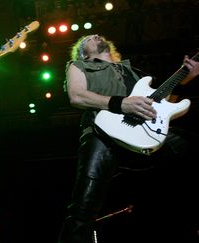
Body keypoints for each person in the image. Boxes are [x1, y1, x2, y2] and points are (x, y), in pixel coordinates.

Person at [58, 34, 199, 243]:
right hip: (101, 132)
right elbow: (76, 96)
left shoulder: (135, 73)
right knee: (84, 206)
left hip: (144, 132)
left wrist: (185, 77)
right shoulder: (79, 66)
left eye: (98, 34)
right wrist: (121, 103)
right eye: (88, 38)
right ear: (83, 54)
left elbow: (162, 106)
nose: (96, 35)